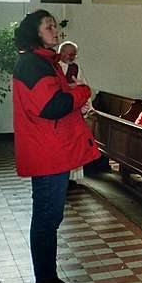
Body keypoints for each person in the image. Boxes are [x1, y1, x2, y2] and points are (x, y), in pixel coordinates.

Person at [12, 9, 99, 283]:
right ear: (35, 33)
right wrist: (82, 93)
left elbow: (55, 102)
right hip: (47, 154)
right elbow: (51, 106)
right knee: (46, 221)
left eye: (54, 26)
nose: (55, 30)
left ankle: (49, 282)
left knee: (49, 220)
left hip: (50, 150)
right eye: (48, 26)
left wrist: (75, 103)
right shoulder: (33, 64)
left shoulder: (43, 62)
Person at [57, 41, 93, 187]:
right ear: (62, 52)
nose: (73, 57)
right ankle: (60, 175)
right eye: (70, 53)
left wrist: (89, 106)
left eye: (74, 54)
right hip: (58, 112)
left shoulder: (76, 68)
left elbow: (84, 86)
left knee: (74, 145)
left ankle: (72, 178)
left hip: (73, 110)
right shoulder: (54, 66)